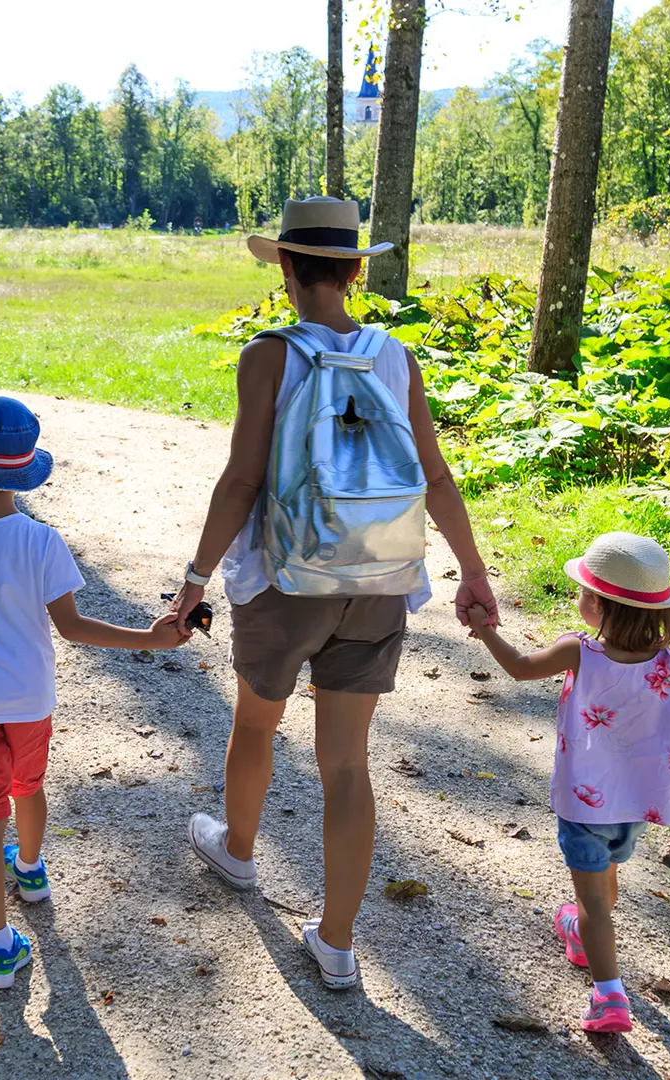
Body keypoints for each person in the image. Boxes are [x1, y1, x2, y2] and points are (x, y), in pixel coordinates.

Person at [171, 196, 496, 989]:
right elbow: (436, 475)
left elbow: (244, 479)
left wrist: (194, 580)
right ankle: (339, 943)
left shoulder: (268, 356)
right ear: (355, 271)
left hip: (288, 578)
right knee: (347, 764)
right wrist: (473, 572)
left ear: (285, 269)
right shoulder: (395, 356)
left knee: (256, 725)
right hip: (379, 577)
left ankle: (239, 854)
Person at [0, 395, 189, 990]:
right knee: (28, 785)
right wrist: (152, 639)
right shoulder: (42, 542)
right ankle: (31, 869)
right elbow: (74, 627)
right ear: (25, 474)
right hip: (31, 699)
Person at [464, 531, 670, 1033]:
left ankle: (609, 996)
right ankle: (579, 934)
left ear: (597, 605)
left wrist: (484, 628)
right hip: (638, 806)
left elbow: (516, 667)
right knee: (603, 882)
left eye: (581, 592)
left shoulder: (578, 652)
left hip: (584, 803)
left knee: (596, 902)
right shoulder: (669, 663)